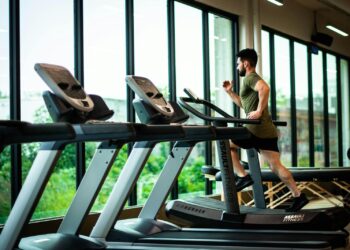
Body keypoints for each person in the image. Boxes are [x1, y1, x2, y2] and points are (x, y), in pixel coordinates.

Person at [222, 48, 308, 212]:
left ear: (245, 63)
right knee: (276, 166)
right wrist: (230, 92)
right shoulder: (249, 81)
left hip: (255, 129)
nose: (237, 67)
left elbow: (265, 89)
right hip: (267, 130)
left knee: (225, 143)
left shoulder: (250, 78)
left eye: (238, 63)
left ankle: (243, 177)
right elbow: (244, 105)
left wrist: (259, 111)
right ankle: (298, 195)